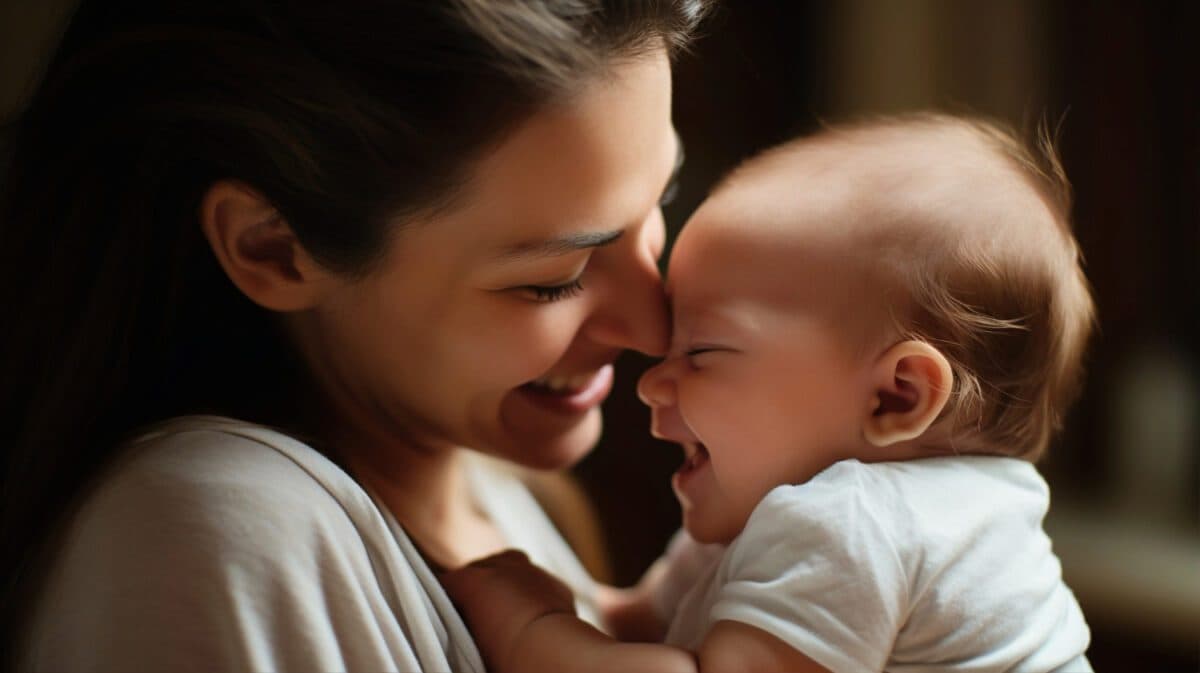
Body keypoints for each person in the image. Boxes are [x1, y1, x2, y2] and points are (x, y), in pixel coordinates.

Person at [0, 1, 713, 670]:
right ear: (271, 248)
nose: (655, 326)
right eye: (556, 276)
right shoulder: (219, 528)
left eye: (661, 202)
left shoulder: (496, 498)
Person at [443, 113, 1096, 673]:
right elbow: (639, 630)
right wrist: (570, 604)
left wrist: (528, 630)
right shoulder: (771, 512)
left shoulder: (854, 521)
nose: (650, 380)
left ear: (896, 397)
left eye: (702, 351)